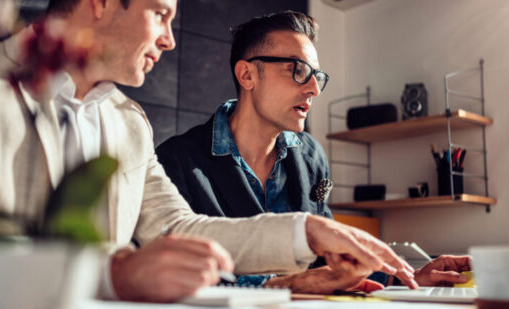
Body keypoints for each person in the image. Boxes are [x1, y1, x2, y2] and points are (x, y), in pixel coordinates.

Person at [0, 0, 418, 305]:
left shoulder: (129, 121)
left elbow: (181, 226)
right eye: (160, 13)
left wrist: (305, 229)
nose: (171, 40)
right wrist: (111, 274)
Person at [156, 11, 472, 294]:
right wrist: (281, 285)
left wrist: (405, 277)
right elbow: (170, 272)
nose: (314, 89)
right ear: (247, 75)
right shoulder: (177, 161)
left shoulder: (310, 154)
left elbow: (327, 256)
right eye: (297, 70)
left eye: (316, 76)